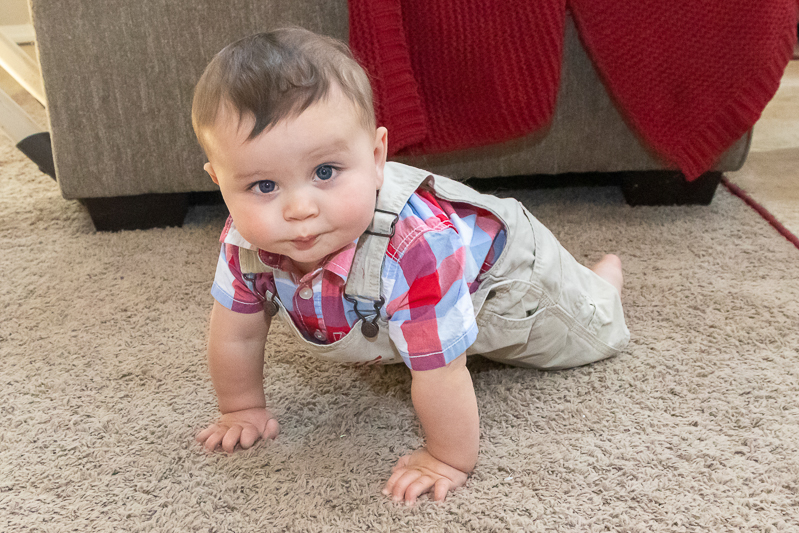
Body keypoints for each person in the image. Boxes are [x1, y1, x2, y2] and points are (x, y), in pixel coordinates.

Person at [191, 27, 630, 506]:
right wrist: (241, 408)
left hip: (509, 283)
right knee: (421, 335)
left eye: (325, 172)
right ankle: (592, 281)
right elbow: (236, 334)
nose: (300, 209)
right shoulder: (243, 241)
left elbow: (442, 371)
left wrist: (447, 457)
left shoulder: (416, 248)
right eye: (263, 186)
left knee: (589, 332)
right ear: (220, 182)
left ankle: (602, 286)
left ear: (376, 157)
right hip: (428, 292)